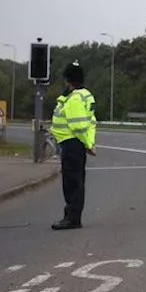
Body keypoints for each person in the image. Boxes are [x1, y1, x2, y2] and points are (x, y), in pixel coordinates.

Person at [49, 61, 97, 230]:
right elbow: (91, 122)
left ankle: (72, 218)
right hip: (73, 144)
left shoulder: (75, 98)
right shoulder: (82, 95)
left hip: (72, 144)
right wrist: (89, 143)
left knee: (72, 183)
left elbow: (78, 125)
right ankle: (72, 216)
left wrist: (87, 144)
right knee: (75, 181)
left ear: (68, 79)